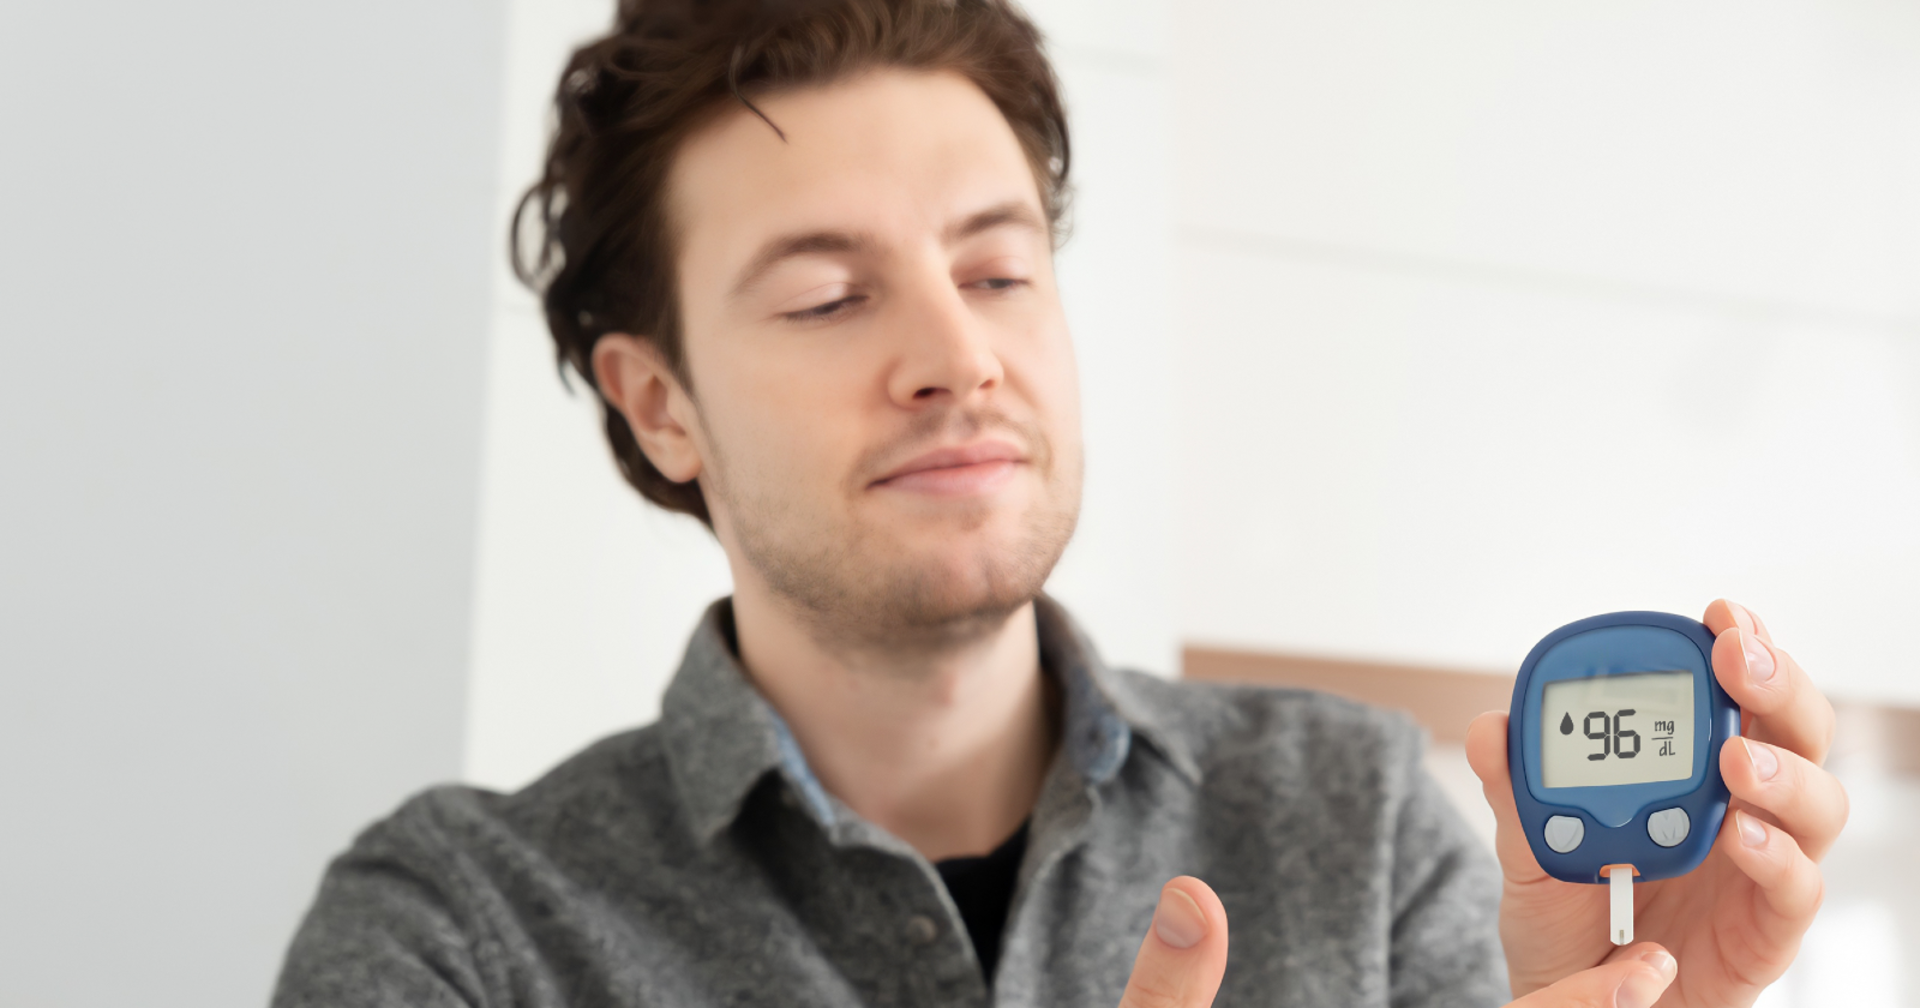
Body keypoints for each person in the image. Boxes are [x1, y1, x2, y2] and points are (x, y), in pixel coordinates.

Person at [271, 1, 1847, 1005]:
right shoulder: (458, 935)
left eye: (999, 270)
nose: (957, 357)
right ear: (659, 402)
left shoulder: (1361, 822)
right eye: (830, 297)